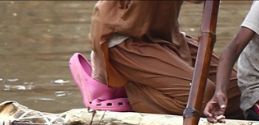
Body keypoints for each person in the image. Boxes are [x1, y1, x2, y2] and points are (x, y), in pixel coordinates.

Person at [87, 0, 242, 117]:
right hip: (124, 41)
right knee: (201, 96)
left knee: (238, 90)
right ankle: (132, 89)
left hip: (166, 38)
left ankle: (150, 83)